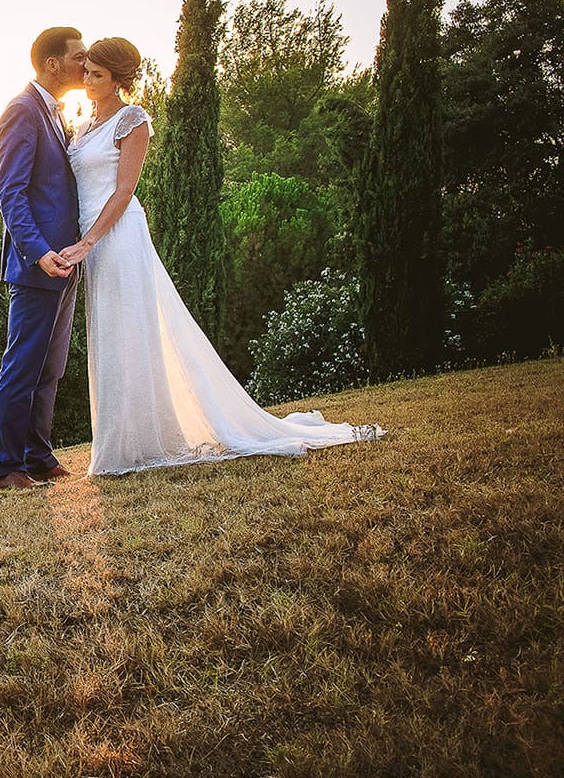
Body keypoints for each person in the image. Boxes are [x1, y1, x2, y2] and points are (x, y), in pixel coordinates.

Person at [58, 37, 381, 475]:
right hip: (91, 239)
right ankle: (126, 439)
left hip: (116, 235)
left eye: (97, 74)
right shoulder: (83, 126)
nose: (87, 80)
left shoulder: (132, 120)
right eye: (87, 72)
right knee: (110, 333)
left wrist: (90, 241)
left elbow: (125, 190)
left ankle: (141, 443)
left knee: (130, 330)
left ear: (118, 79)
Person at [0, 27, 86, 492]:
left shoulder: (55, 113)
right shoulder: (22, 111)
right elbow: (10, 193)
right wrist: (40, 252)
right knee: (22, 366)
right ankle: (6, 468)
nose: (85, 64)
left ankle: (38, 456)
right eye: (78, 57)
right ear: (53, 63)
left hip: (66, 262)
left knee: (51, 367)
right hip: (38, 265)